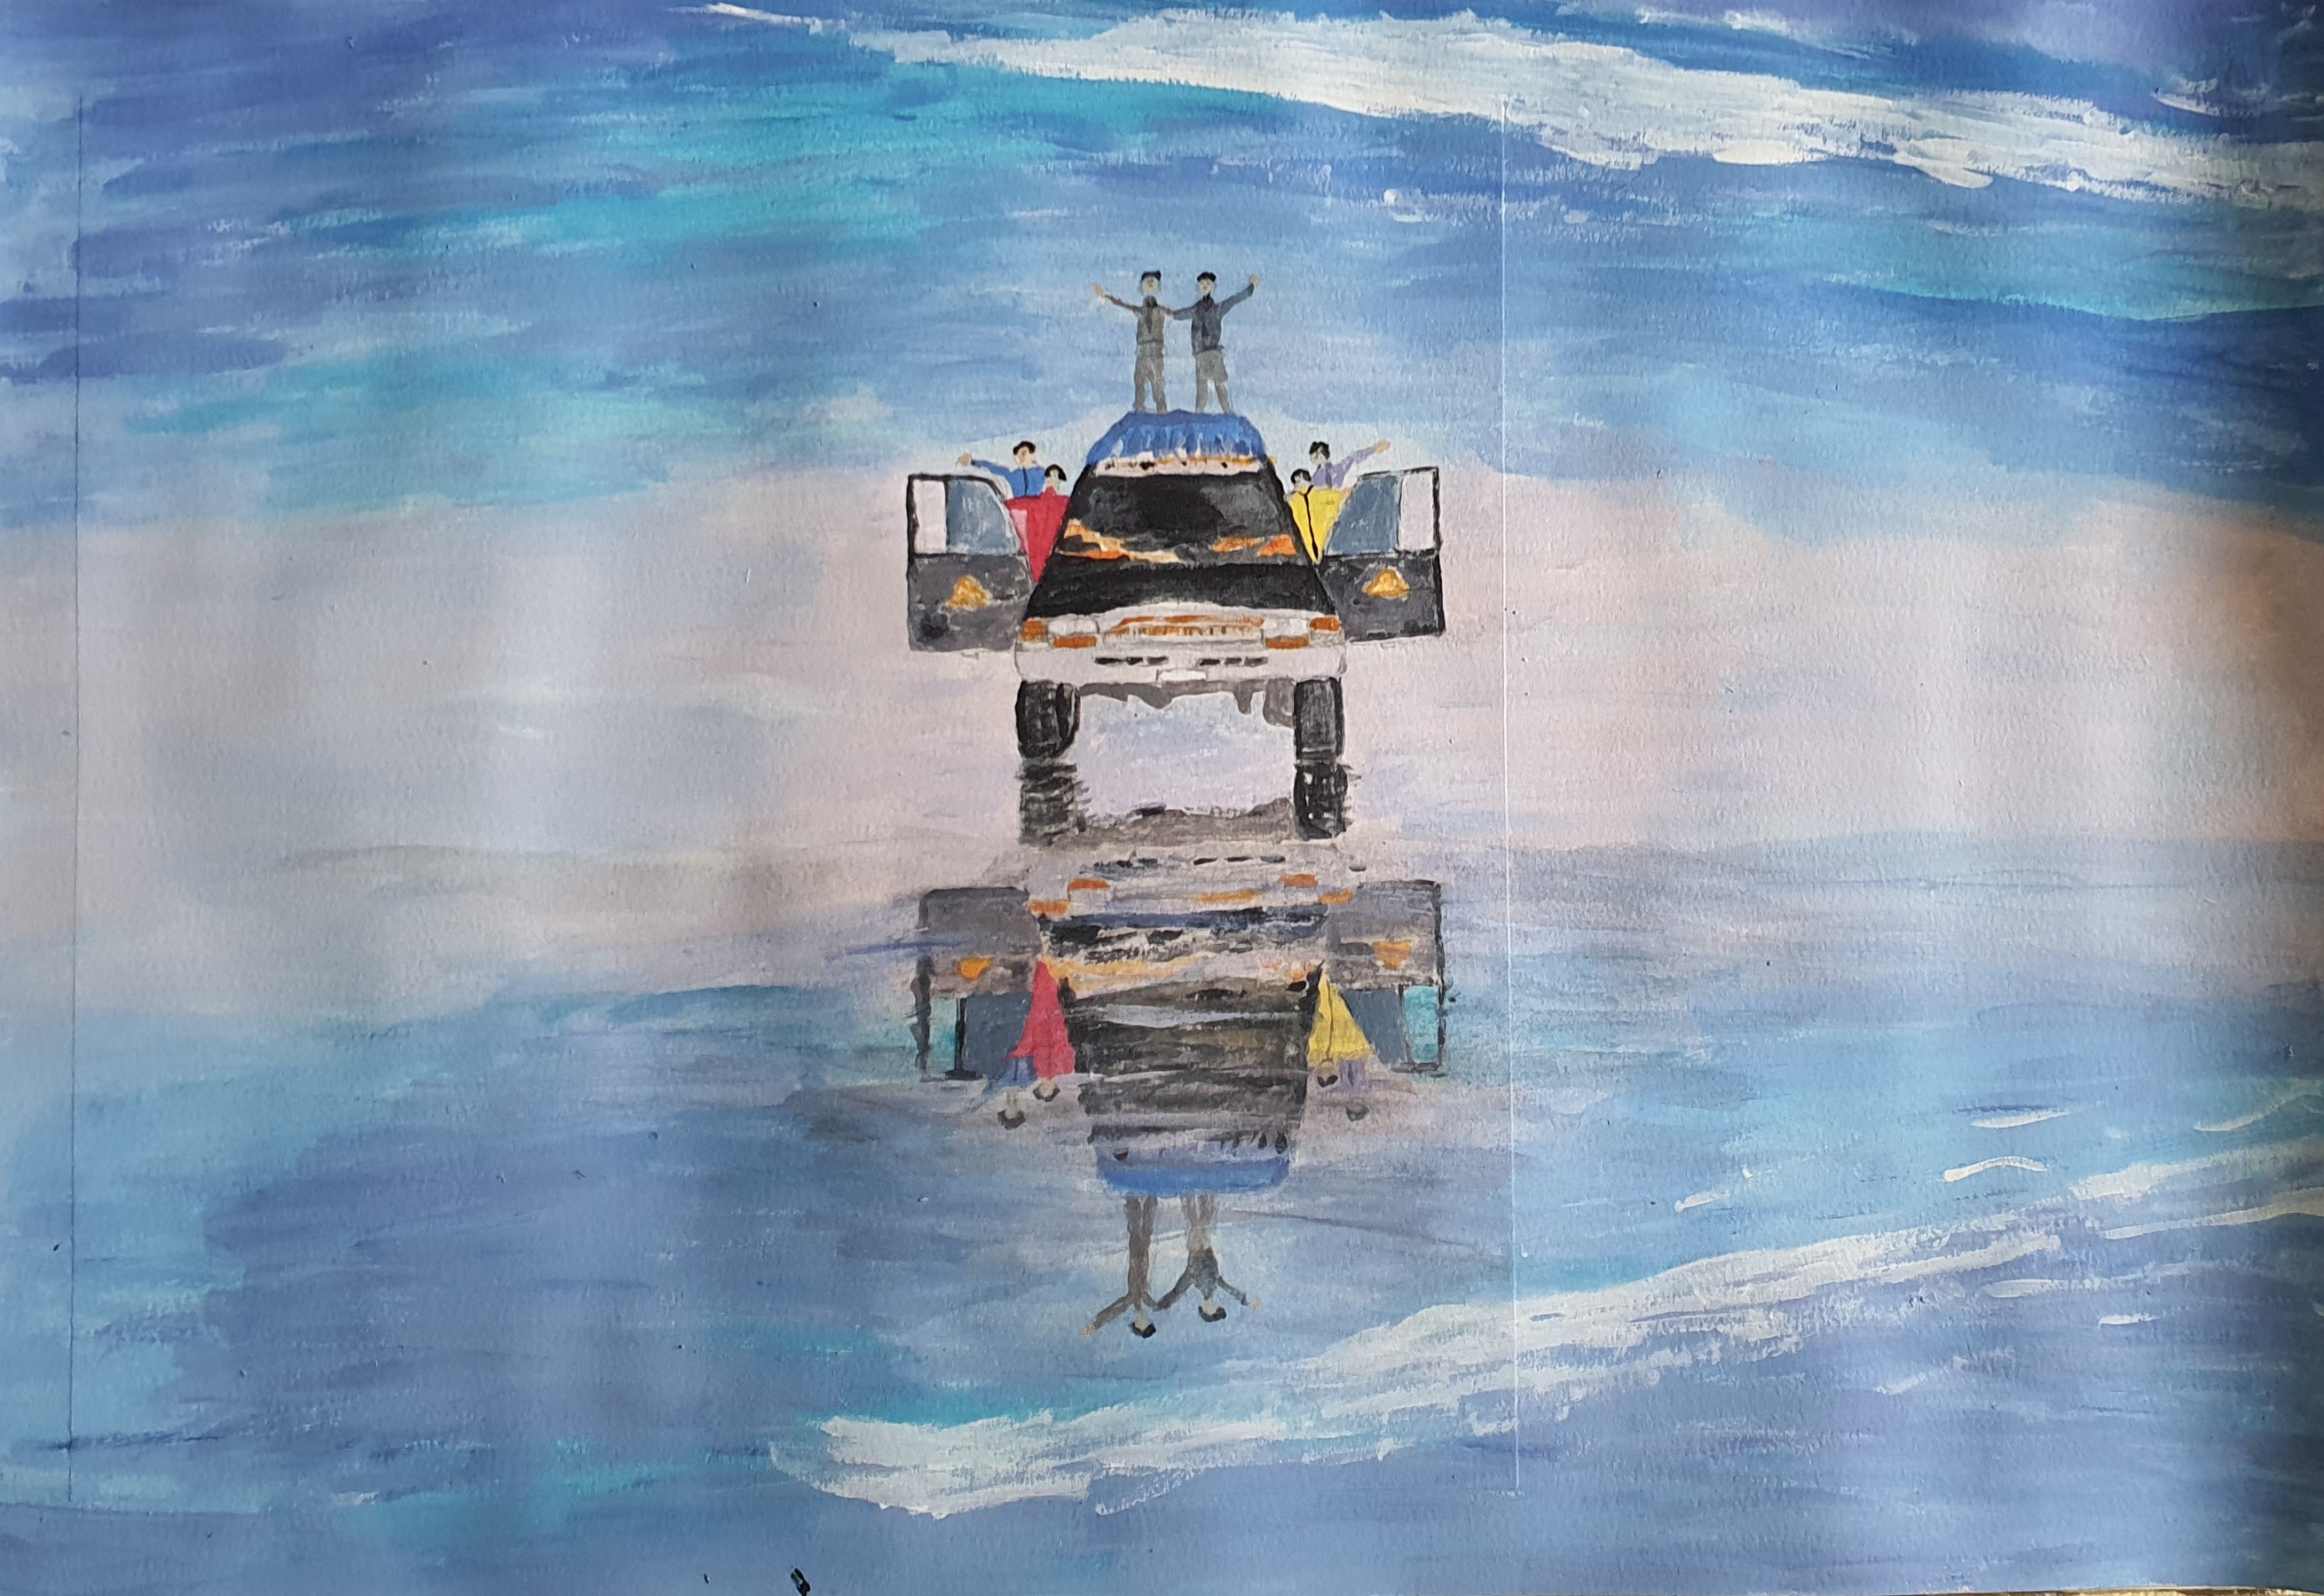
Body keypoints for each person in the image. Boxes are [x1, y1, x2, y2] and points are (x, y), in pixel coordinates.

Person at [1171, 271, 1257, 413]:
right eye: (1202, 283)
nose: (1205, 285)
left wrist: (1251, 287)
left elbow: (1234, 300)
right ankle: (1199, 414)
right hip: (1200, 354)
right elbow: (1178, 314)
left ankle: (1227, 412)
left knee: (1219, 385)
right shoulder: (1195, 310)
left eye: (1208, 283)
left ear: (1212, 286)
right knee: (1202, 389)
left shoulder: (1217, 309)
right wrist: (1166, 311)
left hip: (1214, 352)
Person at [1094, 271, 1171, 411]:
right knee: (1139, 381)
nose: (1149, 283)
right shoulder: (1140, 310)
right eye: (1147, 281)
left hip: (1155, 353)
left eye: (1152, 281)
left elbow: (1176, 314)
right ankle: (1139, 409)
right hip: (1142, 353)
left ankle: (1162, 410)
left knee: (1157, 385)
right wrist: (1105, 295)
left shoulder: (1161, 310)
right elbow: (1123, 304)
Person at [1017, 464, 1070, 582]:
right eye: (1053, 477)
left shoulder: (1034, 503)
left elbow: (1010, 504)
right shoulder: (1064, 503)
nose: (1054, 480)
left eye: (1055, 477)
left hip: (1037, 564)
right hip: (1051, 560)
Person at [957, 440, 1045, 498]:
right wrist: (973, 462)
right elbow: (996, 469)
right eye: (1018, 456)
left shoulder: (1043, 474)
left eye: (1024, 454)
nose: (1021, 459)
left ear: (1032, 454)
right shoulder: (1016, 475)